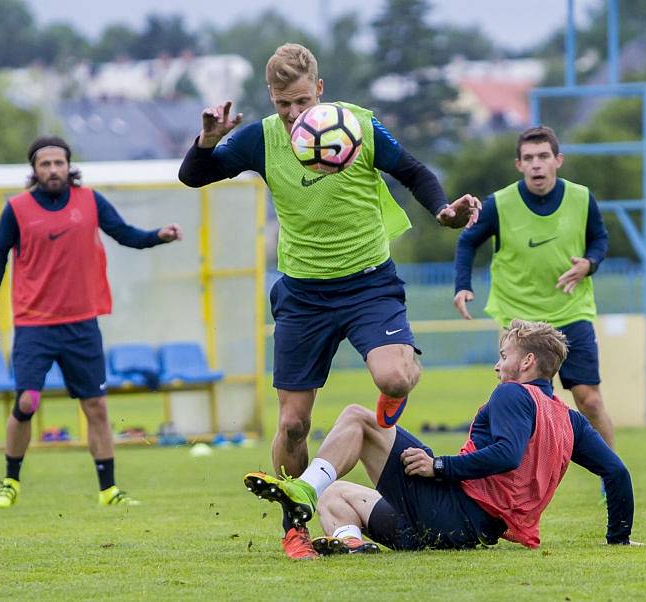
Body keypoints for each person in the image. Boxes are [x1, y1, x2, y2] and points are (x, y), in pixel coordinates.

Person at [178, 43, 480, 558]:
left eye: (300, 101)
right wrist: (205, 144)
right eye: (282, 104)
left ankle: (391, 397)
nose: (293, 114)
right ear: (271, 100)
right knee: (293, 424)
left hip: (368, 283)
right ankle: (294, 527)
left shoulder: (357, 126)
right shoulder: (262, 139)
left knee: (395, 377)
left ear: (319, 89)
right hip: (303, 293)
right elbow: (193, 176)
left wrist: (442, 212)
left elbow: (414, 171)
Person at [244, 319, 636, 557]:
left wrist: (438, 466)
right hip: (460, 531)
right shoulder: (571, 421)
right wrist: (618, 539)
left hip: (454, 514)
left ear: (528, 362)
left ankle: (304, 491)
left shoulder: (513, 393)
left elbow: (507, 454)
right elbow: (617, 473)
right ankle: (349, 541)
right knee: (337, 492)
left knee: (358, 419)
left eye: (504, 355)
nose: (498, 365)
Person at [0, 135, 183, 509]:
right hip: (34, 325)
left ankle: (109, 490)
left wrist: (158, 237)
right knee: (27, 401)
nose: (53, 170)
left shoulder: (89, 201)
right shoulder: (17, 209)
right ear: (34, 170)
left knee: (96, 408)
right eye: (45, 164)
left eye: (59, 163)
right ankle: (10, 481)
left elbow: (125, 235)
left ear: (68, 167)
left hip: (81, 324)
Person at [453, 126, 615, 450]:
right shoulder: (499, 204)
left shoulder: (582, 198)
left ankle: (612, 476)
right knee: (519, 405)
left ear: (558, 160)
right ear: (518, 165)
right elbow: (467, 241)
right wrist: (462, 286)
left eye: (543, 156)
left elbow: (600, 240)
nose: (536, 164)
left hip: (570, 310)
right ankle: (509, 480)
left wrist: (589, 264)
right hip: (520, 322)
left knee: (590, 400)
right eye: (528, 158)